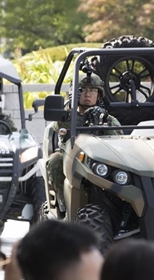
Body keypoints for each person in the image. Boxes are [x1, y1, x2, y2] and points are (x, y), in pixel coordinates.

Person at [45, 73, 123, 213]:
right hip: (71, 160)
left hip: (101, 162)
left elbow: (119, 143)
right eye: (83, 90)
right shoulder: (66, 116)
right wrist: (73, 108)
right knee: (55, 160)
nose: (88, 94)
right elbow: (60, 125)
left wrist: (103, 120)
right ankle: (65, 208)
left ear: (98, 95)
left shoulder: (108, 119)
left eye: (93, 90)